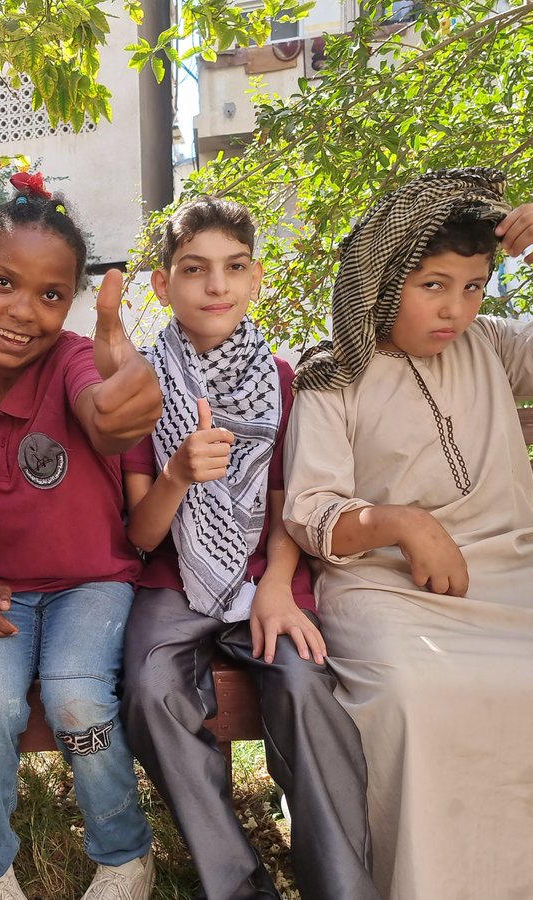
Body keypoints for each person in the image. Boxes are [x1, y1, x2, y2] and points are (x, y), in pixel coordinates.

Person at [283, 168, 533, 899]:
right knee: (419, 693)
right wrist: (400, 523)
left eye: (473, 286)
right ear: (383, 277)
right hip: (383, 587)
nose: (456, 310)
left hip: (524, 575)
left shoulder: (494, 346)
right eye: (433, 285)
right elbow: (310, 510)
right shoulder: (332, 374)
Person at [120, 198, 378, 900]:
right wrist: (177, 474)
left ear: (256, 278)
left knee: (302, 680)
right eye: (194, 269)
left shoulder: (281, 380)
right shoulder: (141, 386)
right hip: (174, 577)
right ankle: (237, 884)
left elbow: (288, 508)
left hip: (268, 572)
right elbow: (141, 536)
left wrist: (275, 586)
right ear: (161, 285)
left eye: (234, 268)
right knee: (147, 688)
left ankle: (342, 888)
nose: (216, 286)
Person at [0, 175, 162, 900]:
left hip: (90, 581)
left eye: (49, 295)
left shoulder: (71, 359)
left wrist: (121, 398)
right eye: (4, 282)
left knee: (74, 695)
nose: (22, 313)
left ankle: (125, 850)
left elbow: (100, 411)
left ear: (70, 303)